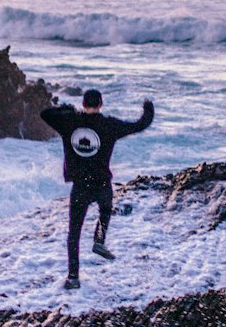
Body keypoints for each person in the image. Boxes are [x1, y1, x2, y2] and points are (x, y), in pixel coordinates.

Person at [40, 88, 154, 289]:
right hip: (101, 183)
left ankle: (73, 277)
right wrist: (148, 108)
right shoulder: (109, 125)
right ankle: (99, 240)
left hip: (80, 185)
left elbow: (46, 114)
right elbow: (140, 125)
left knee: (74, 233)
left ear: (83, 104)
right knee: (106, 210)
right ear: (101, 104)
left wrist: (69, 110)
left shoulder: (70, 123)